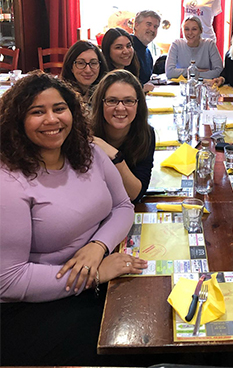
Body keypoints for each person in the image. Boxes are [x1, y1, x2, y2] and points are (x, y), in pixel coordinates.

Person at [0, 71, 147, 365]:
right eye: (37, 112)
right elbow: (9, 280)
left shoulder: (89, 151)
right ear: (17, 120)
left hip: (98, 275)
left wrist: (98, 246)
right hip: (37, 305)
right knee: (133, 349)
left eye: (59, 108)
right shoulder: (9, 181)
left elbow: (122, 206)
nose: (52, 119)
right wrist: (95, 275)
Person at [90, 70, 155, 203]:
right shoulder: (86, 134)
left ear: (138, 104)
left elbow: (136, 194)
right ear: (100, 104)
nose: (120, 108)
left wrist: (114, 156)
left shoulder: (145, 134)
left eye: (128, 101)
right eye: (112, 101)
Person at [165, 15, 223, 80]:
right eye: (186, 29)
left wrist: (184, 72)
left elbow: (219, 71)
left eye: (194, 29)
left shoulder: (209, 44)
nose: (190, 33)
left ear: (201, 31)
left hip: (204, 85)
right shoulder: (176, 44)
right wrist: (196, 71)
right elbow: (169, 73)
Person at [61, 40, 108, 104]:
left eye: (93, 63)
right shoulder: (61, 96)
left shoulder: (106, 93)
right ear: (71, 67)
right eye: (81, 63)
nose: (88, 70)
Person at [132, 10, 161, 92]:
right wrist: (141, 88)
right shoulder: (128, 47)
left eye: (155, 27)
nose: (152, 29)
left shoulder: (147, 52)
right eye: (149, 24)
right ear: (136, 25)